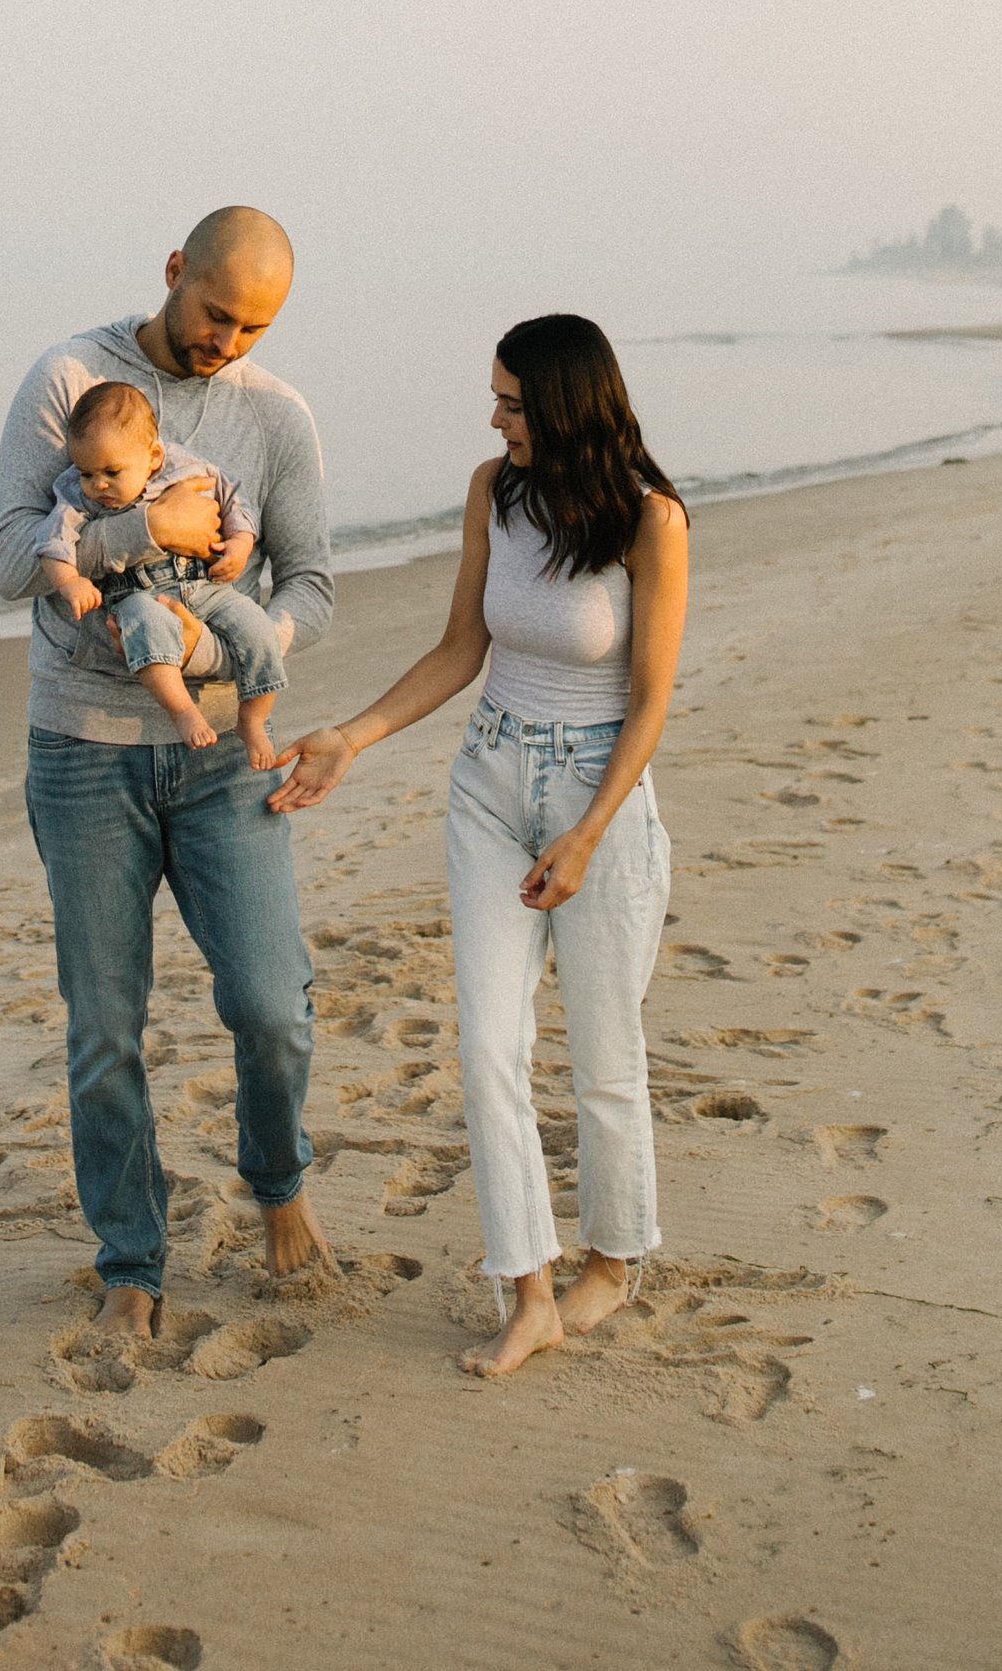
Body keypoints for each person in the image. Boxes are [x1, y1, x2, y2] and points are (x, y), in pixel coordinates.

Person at [270, 311, 689, 1378]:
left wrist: (590, 834)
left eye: (512, 404)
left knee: (604, 1058)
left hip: (600, 793)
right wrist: (352, 739)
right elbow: (462, 646)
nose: (495, 418)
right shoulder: (492, 493)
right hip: (491, 782)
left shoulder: (651, 521)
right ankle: (530, 1293)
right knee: (488, 1049)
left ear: (563, 409)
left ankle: (609, 1261)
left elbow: (648, 704)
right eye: (495, 400)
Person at [0, 208, 334, 1342]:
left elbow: (312, 587)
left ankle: (277, 1186)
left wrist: (226, 647)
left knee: (271, 1008)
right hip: (83, 755)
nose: (227, 342)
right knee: (103, 1028)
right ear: (173, 272)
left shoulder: (277, 419)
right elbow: (6, 564)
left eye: (253, 326)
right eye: (213, 314)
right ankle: (130, 1259)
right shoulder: (70, 378)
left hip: (224, 754)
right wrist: (135, 528)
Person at [37, 381, 289, 764]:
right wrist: (69, 580)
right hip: (135, 594)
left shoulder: (184, 467)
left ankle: (253, 718)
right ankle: (183, 710)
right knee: (146, 627)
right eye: (87, 473)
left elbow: (233, 498)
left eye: (111, 471)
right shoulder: (77, 494)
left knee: (257, 627)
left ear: (153, 457)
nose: (98, 485)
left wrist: (240, 543)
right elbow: (53, 542)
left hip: (205, 586)